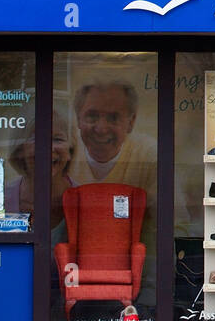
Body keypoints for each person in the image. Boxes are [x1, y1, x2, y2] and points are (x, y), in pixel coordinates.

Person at [66, 80, 159, 306]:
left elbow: (173, 226)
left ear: (131, 122)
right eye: (92, 116)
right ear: (78, 118)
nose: (101, 128)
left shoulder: (150, 154)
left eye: (113, 117)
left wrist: (151, 292)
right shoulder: (64, 151)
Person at [4, 108, 75, 240]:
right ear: (20, 150)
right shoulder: (0, 200)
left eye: (58, 139)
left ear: (70, 150)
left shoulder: (84, 199)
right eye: (36, 139)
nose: (48, 147)